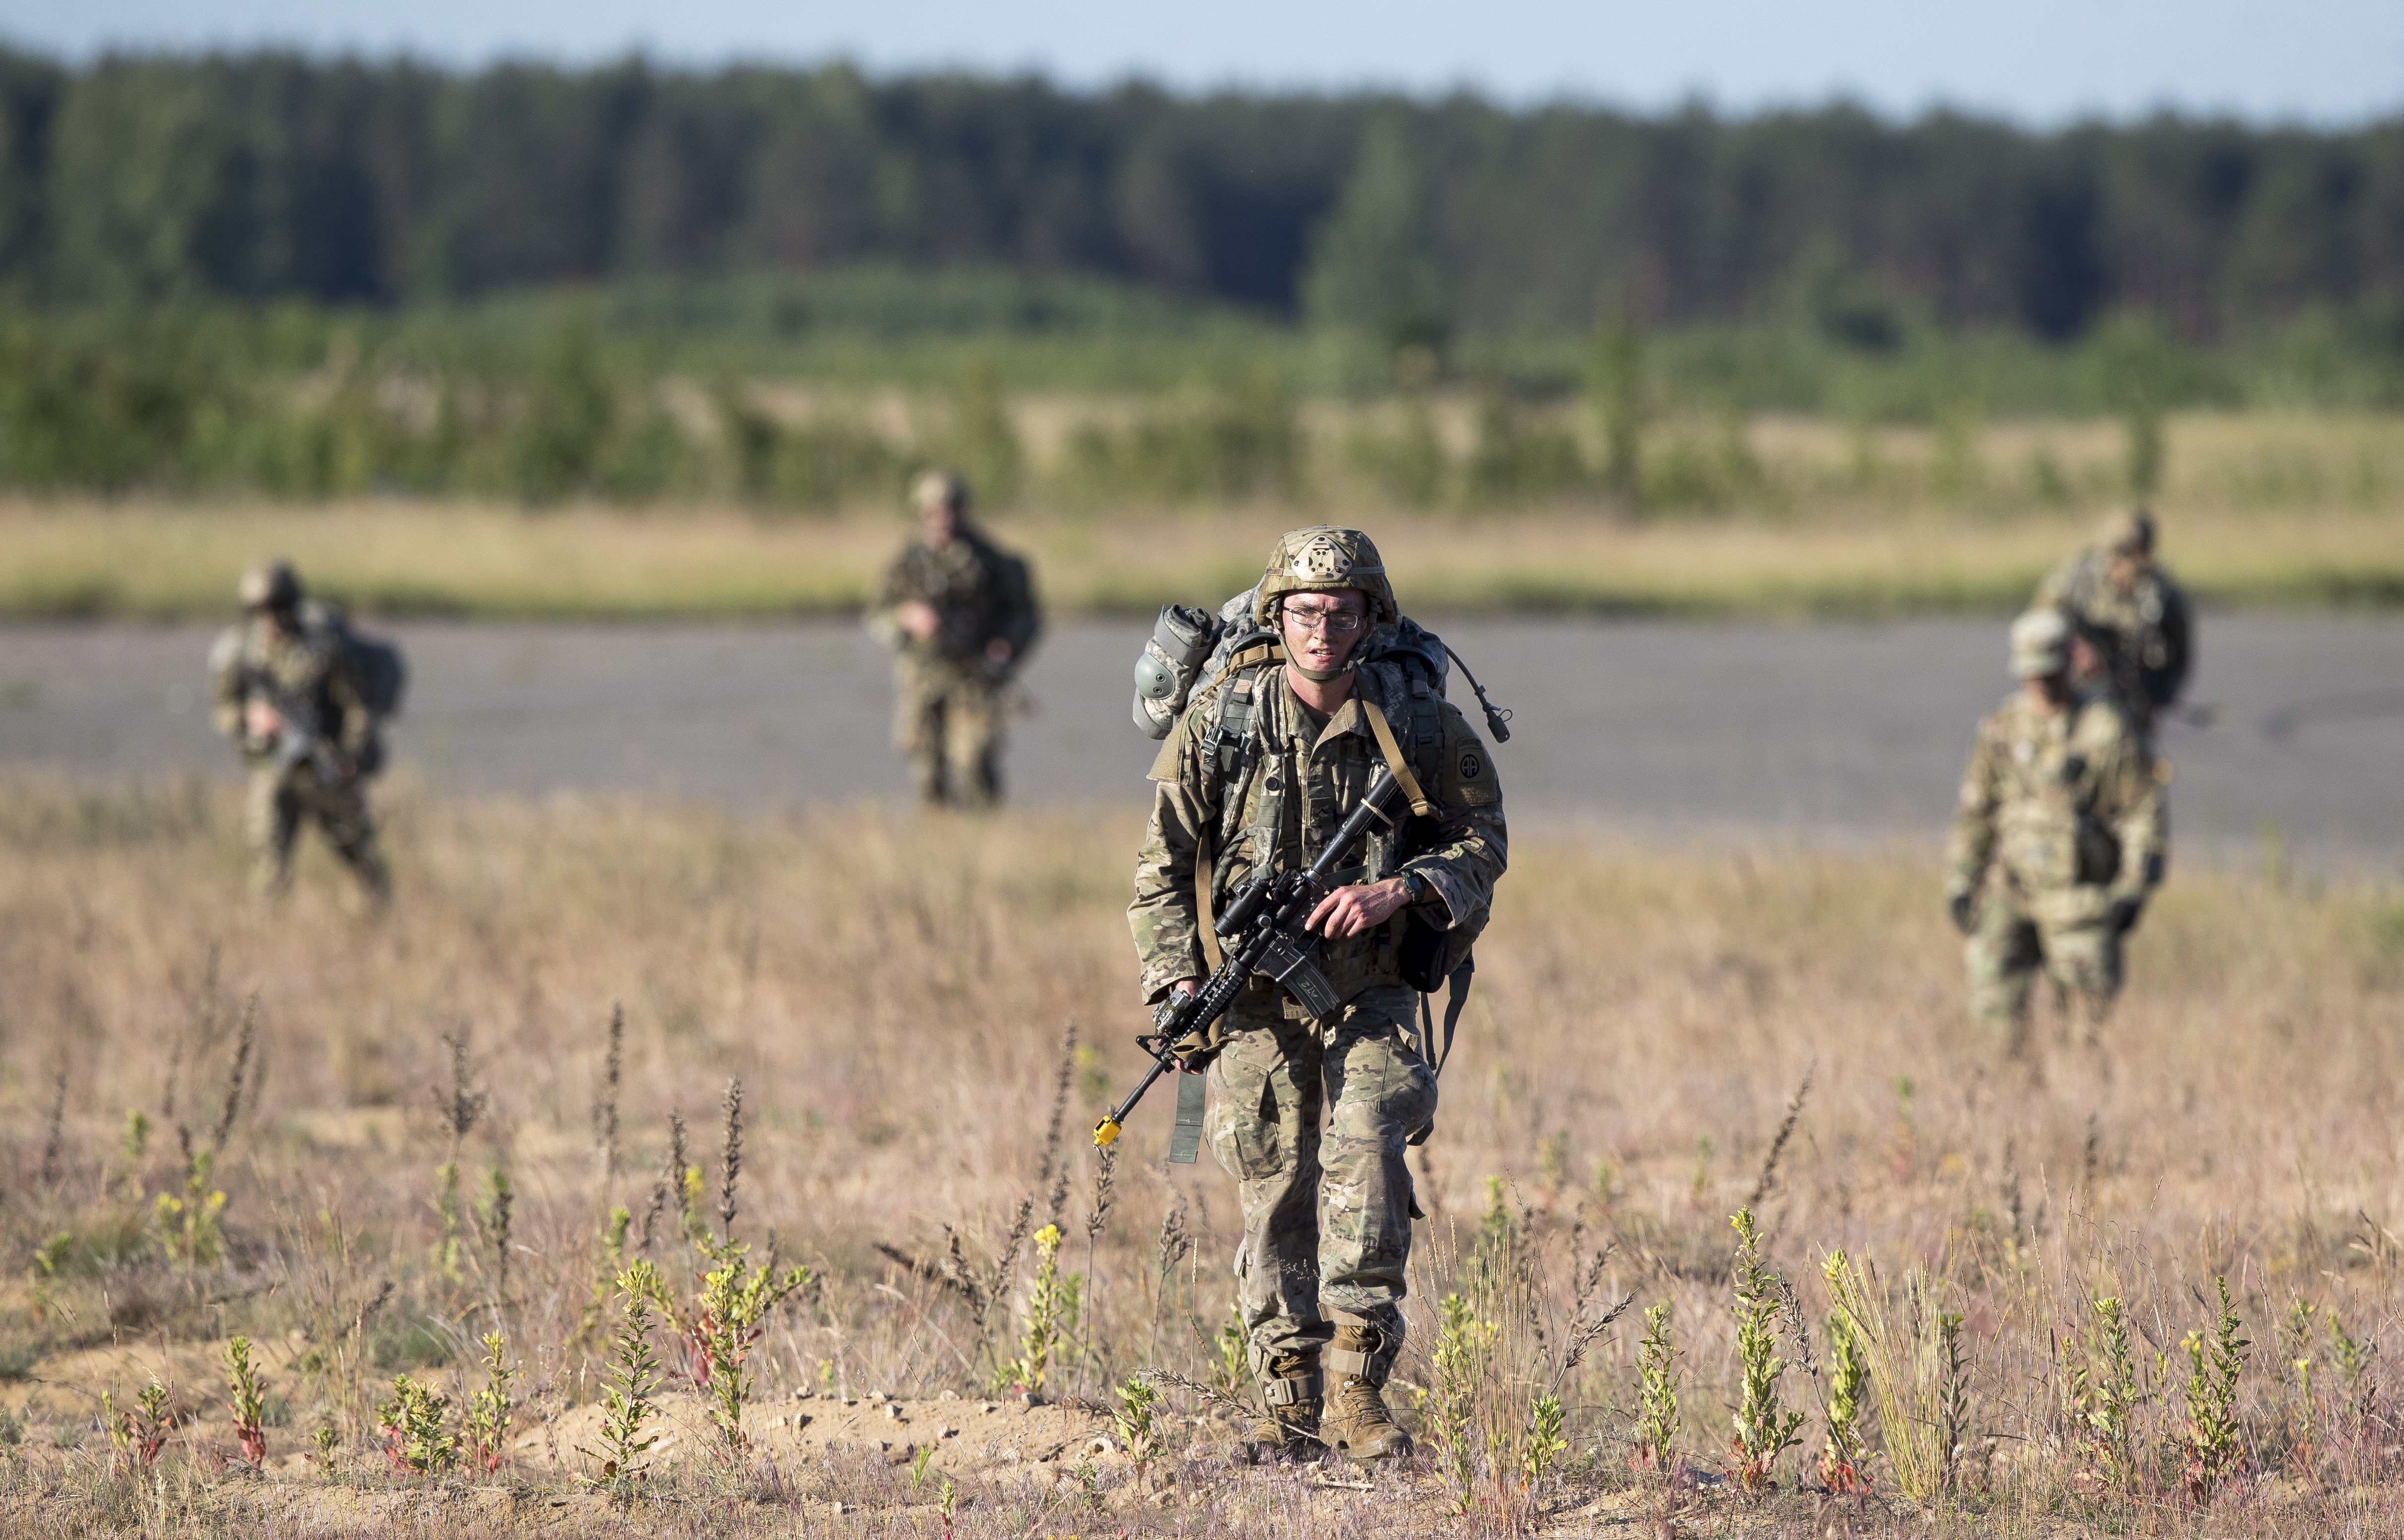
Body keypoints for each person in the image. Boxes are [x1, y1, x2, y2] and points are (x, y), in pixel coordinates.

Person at [1128, 527, 1507, 1461]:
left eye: (1342, 613)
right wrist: (1179, 980)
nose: (1322, 629)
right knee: (1273, 1183)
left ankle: (1356, 1392)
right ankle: (1286, 1395)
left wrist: (1401, 889)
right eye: (1304, 611)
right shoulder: (1221, 718)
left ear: (1371, 618)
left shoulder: (1416, 723)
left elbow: (1482, 841)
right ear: (1276, 616)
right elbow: (1162, 870)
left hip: (1374, 983)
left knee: (1369, 1151)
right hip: (1254, 992)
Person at [1944, 608, 2167, 1055]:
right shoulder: (2002, 729)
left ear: (2070, 662)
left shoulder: (2106, 731)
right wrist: (1962, 880)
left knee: (2086, 1032)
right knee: (1994, 1019)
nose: (2041, 683)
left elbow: (2142, 814)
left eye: (2049, 671)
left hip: (2079, 897)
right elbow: (1977, 814)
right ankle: (2008, 1104)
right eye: (2032, 673)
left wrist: (2133, 889)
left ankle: (2079, 1113)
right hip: (2012, 887)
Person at [208, 560, 391, 907]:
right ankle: (262, 935)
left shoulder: (322, 650)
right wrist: (250, 721)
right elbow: (225, 708)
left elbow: (356, 707)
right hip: (274, 769)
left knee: (358, 853)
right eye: (261, 610)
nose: (271, 618)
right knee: (267, 857)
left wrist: (351, 754)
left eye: (278, 607)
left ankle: (376, 921)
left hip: (325, 766)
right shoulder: (243, 651)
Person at [869, 471, 1040, 807]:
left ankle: (988, 838)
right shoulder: (906, 561)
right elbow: (877, 612)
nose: (943, 519)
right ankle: (936, 842)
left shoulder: (988, 559)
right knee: (926, 768)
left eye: (950, 509)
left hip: (975, 674)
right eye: (934, 511)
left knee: (974, 762)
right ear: (921, 512)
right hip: (922, 675)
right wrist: (909, 617)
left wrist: (1005, 645)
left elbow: (1024, 614)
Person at [2034, 507, 2193, 734]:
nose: (2129, 566)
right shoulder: (2079, 578)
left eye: (2140, 555)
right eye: (2120, 556)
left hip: (2132, 697)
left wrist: (2159, 696)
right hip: (2076, 690)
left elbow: (2181, 652)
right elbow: (2038, 624)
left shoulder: (2161, 594)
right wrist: (2074, 646)